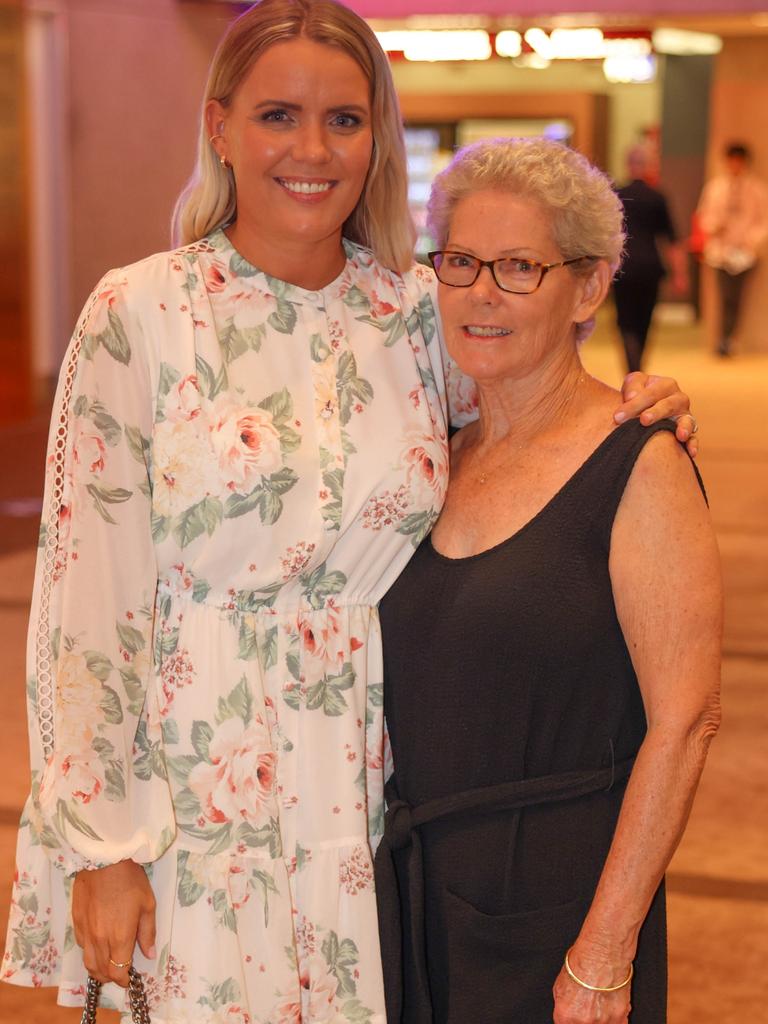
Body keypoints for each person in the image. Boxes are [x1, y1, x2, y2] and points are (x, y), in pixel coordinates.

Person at [1, 3, 696, 1021]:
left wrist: (643, 404)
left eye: (346, 119)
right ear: (220, 126)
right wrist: (103, 845)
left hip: (375, 794)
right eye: (280, 114)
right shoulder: (141, 314)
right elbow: (84, 608)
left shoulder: (418, 314)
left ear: (377, 136)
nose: (313, 150)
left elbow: (538, 425)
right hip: (193, 796)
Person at [376, 137, 722, 1024]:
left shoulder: (639, 465)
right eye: (460, 261)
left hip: (558, 911)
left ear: (591, 286)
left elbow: (684, 723)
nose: (481, 293)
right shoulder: (432, 452)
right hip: (410, 900)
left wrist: (606, 951)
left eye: (521, 267)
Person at [613, 145, 687, 373]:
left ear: (628, 165)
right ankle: (638, 365)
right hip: (650, 267)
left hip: (622, 266)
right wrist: (680, 275)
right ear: (648, 166)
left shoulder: (616, 195)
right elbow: (672, 240)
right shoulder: (658, 197)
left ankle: (631, 364)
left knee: (625, 318)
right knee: (645, 318)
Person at [697, 141, 768, 356]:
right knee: (724, 296)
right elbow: (704, 215)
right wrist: (714, 227)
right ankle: (722, 338)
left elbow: (764, 220)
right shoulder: (715, 187)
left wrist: (751, 240)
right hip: (720, 251)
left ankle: (730, 338)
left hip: (746, 252)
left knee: (737, 298)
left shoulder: (757, 188)